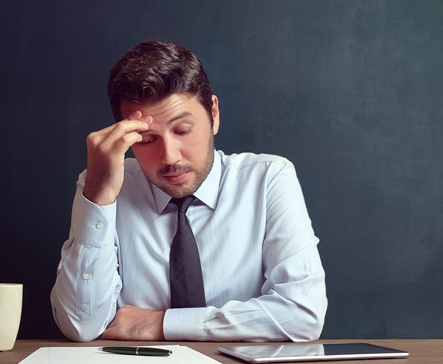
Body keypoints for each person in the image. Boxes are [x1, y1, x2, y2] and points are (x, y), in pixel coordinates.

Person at [51, 40, 327, 342]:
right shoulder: (105, 186)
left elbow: (303, 313)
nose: (170, 156)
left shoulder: (268, 179)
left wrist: (161, 324)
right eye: (146, 140)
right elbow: (81, 325)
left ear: (214, 114)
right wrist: (99, 197)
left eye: (182, 130)